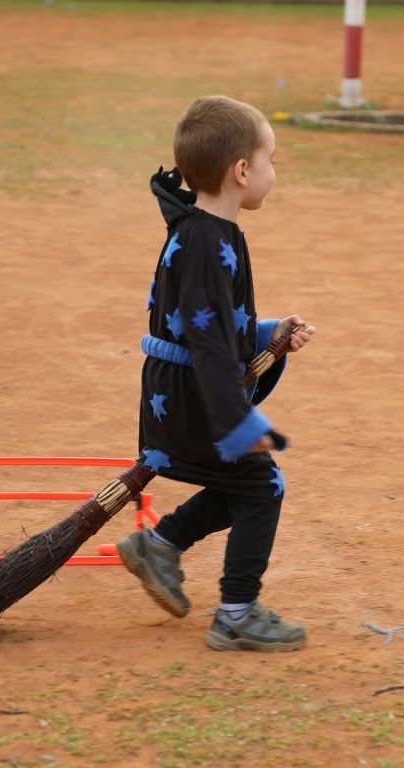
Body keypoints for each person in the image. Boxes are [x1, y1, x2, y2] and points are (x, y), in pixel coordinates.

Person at [116, 95, 315, 651]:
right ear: (242, 171)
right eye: (271, 159)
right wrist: (237, 421)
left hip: (184, 390)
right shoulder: (207, 242)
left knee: (243, 485)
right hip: (194, 394)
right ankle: (236, 613)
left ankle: (161, 545)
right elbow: (208, 347)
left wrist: (270, 333)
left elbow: (210, 326)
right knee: (264, 485)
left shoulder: (206, 231)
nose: (275, 171)